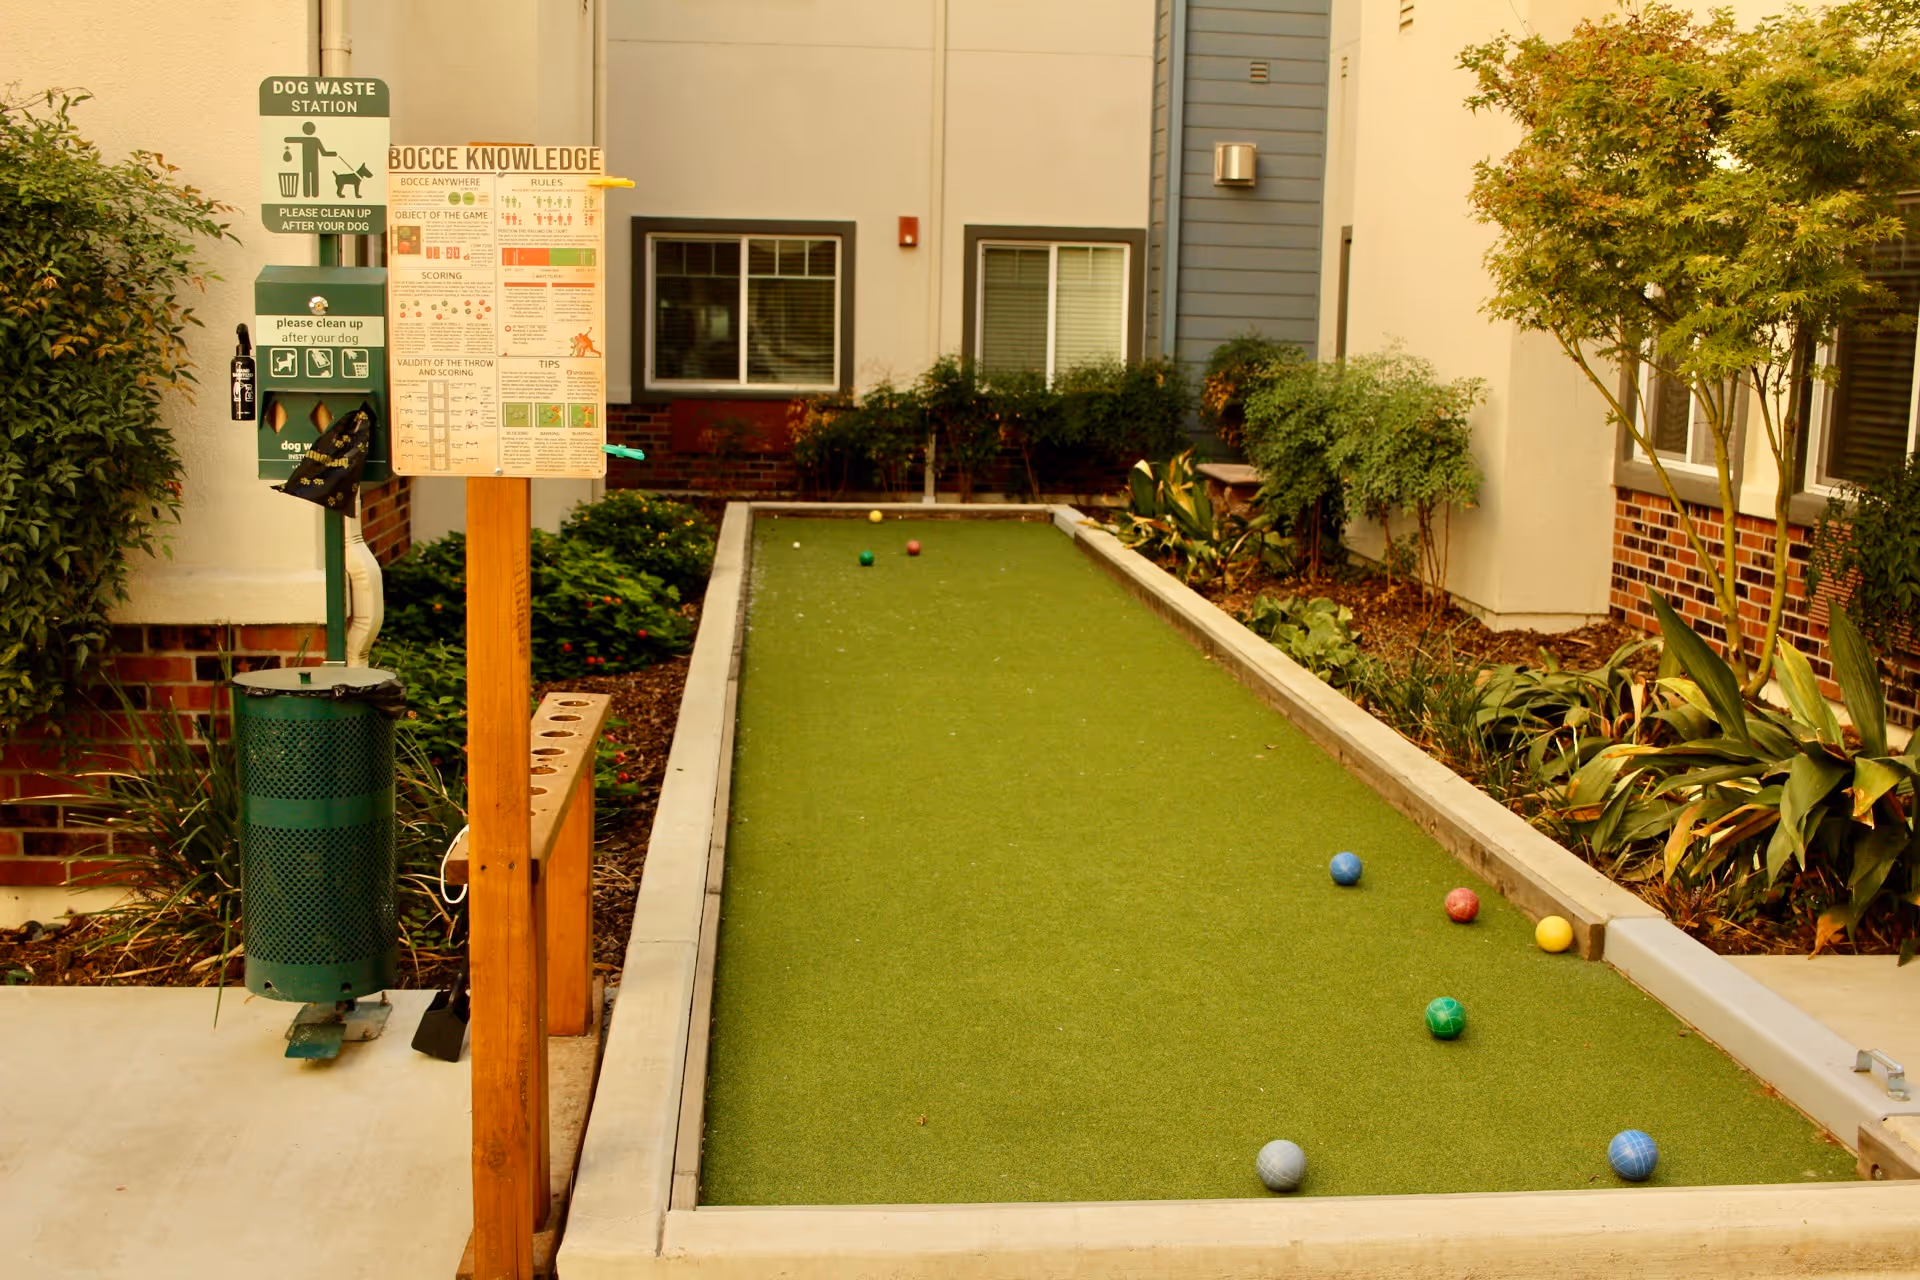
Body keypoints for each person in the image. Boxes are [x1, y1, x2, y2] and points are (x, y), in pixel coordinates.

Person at [283, 122, 338, 199]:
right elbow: (324, 153)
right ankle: (312, 194)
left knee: (309, 178)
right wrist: (333, 154)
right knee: (312, 178)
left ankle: (308, 194)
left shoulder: (307, 140)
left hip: (308, 164)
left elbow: (287, 139)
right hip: (312, 164)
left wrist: (333, 154)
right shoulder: (315, 140)